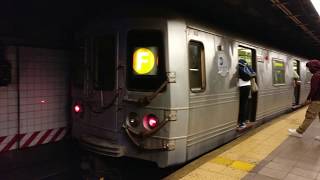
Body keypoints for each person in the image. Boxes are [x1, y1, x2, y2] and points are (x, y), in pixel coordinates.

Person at [288, 60, 320, 139]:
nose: (309, 69)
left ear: (314, 67)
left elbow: (314, 89)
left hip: (317, 100)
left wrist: (308, 99)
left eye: (310, 67)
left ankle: (299, 132)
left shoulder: (316, 76)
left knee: (309, 116)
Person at [238, 59, 256, 128]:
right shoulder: (246, 65)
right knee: (245, 103)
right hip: (248, 86)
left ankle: (241, 122)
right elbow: (253, 74)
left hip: (241, 87)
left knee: (242, 105)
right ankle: (246, 120)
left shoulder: (238, 66)